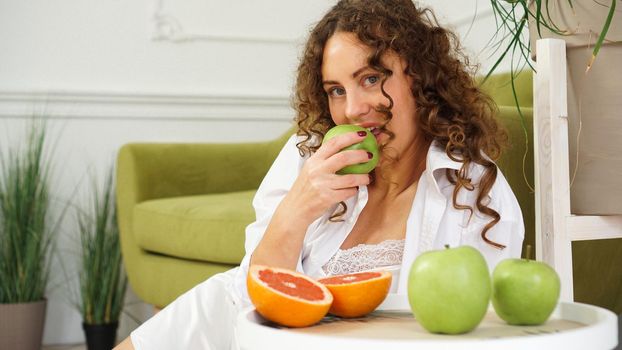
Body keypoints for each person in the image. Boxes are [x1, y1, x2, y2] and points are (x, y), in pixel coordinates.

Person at [115, 0, 524, 349]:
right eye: (336, 90)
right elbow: (253, 296)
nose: (353, 109)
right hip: (256, 329)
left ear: (421, 77)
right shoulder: (308, 154)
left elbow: (473, 331)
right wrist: (298, 205)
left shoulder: (472, 189)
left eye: (371, 79)